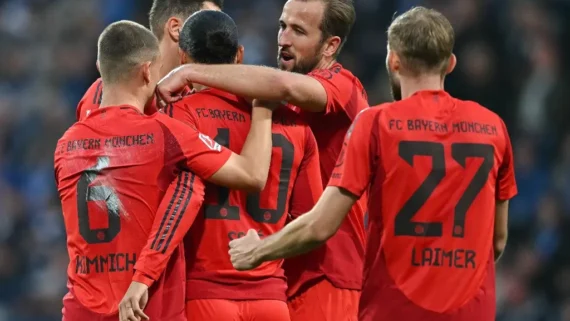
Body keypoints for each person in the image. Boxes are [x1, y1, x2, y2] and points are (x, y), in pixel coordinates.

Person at [228, 6, 517, 321]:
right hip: (470, 309)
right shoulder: (492, 128)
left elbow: (321, 224)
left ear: (393, 61)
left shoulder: (377, 124)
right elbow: (497, 241)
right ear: (450, 63)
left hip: (392, 305)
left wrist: (258, 250)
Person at [156, 1, 368, 320]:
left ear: (331, 45)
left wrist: (187, 71)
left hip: (327, 276)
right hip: (276, 282)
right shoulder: (272, 107)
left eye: (298, 31)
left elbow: (281, 85)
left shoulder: (343, 86)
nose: (283, 38)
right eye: (282, 26)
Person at [55, 20, 275, 321]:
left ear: (99, 66)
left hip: (81, 308)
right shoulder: (166, 133)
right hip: (148, 306)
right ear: (147, 71)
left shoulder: (66, 143)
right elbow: (251, 174)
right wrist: (263, 107)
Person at [76, 0, 224, 121]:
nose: (222, 40)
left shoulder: (198, 94)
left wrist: (188, 72)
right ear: (176, 28)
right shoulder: (108, 90)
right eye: (210, 26)